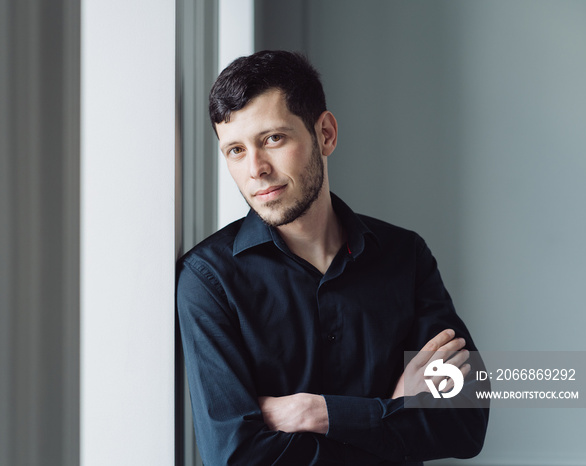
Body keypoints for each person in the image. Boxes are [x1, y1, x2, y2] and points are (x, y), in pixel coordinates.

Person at [177, 50, 489, 465]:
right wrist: (390, 409)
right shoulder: (208, 279)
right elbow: (235, 457)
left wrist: (316, 413)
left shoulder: (403, 255)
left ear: (325, 133)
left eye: (273, 139)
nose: (256, 169)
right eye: (235, 150)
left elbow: (465, 423)